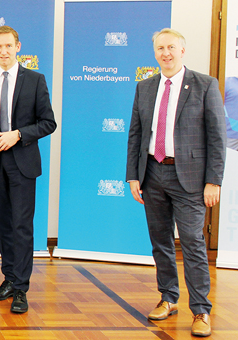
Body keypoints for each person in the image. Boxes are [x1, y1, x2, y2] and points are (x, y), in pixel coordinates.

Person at [126, 28, 225, 337]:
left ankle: (200, 310)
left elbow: (218, 138)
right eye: (160, 48)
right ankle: (168, 298)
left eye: (171, 47)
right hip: (152, 174)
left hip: (192, 179)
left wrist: (213, 181)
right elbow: (136, 134)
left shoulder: (205, 85)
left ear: (182, 51)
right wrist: (133, 175)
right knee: (161, 242)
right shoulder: (144, 87)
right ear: (155, 53)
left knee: (194, 243)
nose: (165, 53)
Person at [0, 26, 56, 313]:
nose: (3, 51)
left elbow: (48, 122)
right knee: (2, 225)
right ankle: (8, 278)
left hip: (23, 162)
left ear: (18, 46)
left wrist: (17, 134)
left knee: (21, 226)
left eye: (8, 46)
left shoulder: (35, 80)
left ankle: (21, 289)